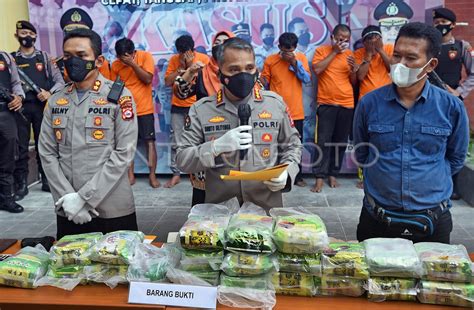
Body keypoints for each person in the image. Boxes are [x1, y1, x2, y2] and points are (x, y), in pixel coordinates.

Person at [353, 22, 469, 243]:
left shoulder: (451, 107)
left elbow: (455, 158)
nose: (400, 64)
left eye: (411, 58)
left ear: (431, 64)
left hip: (432, 219)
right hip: (377, 218)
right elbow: (362, 153)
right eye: (396, 56)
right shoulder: (369, 104)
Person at [176, 37, 302, 210]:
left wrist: (287, 172)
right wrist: (215, 147)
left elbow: (293, 146)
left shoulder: (275, 104)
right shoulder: (201, 110)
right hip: (220, 214)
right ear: (220, 73)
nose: (243, 75)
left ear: (256, 70)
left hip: (266, 211)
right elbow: (182, 160)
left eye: (249, 68)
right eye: (234, 69)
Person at [39, 29, 139, 239]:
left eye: (81, 55)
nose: (72, 61)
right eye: (67, 56)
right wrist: (68, 198)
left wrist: (84, 198)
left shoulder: (119, 96)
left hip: (112, 209)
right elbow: (47, 153)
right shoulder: (56, 100)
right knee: (69, 269)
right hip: (68, 209)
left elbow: (124, 153)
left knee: (119, 270)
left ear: (99, 60)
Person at [173, 31, 233, 205]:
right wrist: (189, 71)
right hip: (205, 138)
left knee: (233, 189)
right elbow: (181, 92)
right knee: (203, 196)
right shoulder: (202, 71)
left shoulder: (240, 71)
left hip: (232, 136)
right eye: (217, 42)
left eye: (225, 42)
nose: (219, 45)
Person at [12, 20, 65, 199]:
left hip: (43, 108)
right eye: (22, 33)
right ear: (16, 36)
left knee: (46, 145)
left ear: (35, 36)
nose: (26, 36)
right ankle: (21, 184)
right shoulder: (11, 59)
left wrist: (50, 93)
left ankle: (47, 180)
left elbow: (60, 81)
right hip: (20, 110)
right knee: (21, 146)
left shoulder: (44, 58)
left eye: (29, 33)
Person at [432, 7, 474, 200]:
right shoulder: (430, 46)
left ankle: (453, 187)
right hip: (430, 100)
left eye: (443, 22)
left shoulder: (462, 46)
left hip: (451, 102)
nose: (439, 25)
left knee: (453, 142)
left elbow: (473, 73)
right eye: (437, 22)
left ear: (453, 25)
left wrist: (459, 92)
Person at [261, 32, 311, 187]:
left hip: (296, 111)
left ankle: (297, 176)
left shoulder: (300, 58)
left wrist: (294, 62)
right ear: (279, 47)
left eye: (291, 50)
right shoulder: (271, 60)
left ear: (295, 48)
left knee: (295, 145)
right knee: (274, 144)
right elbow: (264, 83)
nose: (288, 53)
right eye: (285, 50)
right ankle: (275, 173)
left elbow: (307, 79)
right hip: (275, 111)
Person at [311, 24, 356, 193]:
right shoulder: (322, 51)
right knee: (322, 141)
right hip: (326, 103)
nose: (342, 42)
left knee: (340, 142)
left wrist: (354, 70)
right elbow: (317, 69)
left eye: (346, 40)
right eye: (340, 39)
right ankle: (319, 177)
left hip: (346, 103)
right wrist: (335, 52)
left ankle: (333, 174)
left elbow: (353, 82)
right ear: (332, 37)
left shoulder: (350, 55)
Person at [111, 38, 158, 188]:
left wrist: (132, 64)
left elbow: (148, 79)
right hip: (125, 109)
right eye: (120, 58)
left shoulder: (145, 56)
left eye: (126, 57)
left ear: (133, 52)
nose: (122, 60)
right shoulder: (116, 65)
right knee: (127, 144)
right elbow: (115, 87)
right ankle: (130, 176)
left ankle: (152, 176)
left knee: (149, 142)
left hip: (144, 108)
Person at [164, 35, 209, 189]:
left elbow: (206, 82)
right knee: (176, 141)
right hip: (178, 105)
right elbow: (167, 82)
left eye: (186, 51)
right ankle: (176, 174)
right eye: (181, 52)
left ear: (192, 49)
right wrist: (180, 70)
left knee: (199, 141)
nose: (183, 55)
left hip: (197, 107)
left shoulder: (203, 58)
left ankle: (199, 173)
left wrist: (191, 67)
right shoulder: (174, 60)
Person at [56, 8, 112, 80]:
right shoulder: (58, 64)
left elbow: (104, 87)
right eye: (71, 34)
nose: (76, 39)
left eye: (81, 35)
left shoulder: (99, 62)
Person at [0, 50, 25, 213]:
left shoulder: (5, 57)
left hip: (5, 112)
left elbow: (16, 82)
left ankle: (6, 198)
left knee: (8, 155)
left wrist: (18, 97)